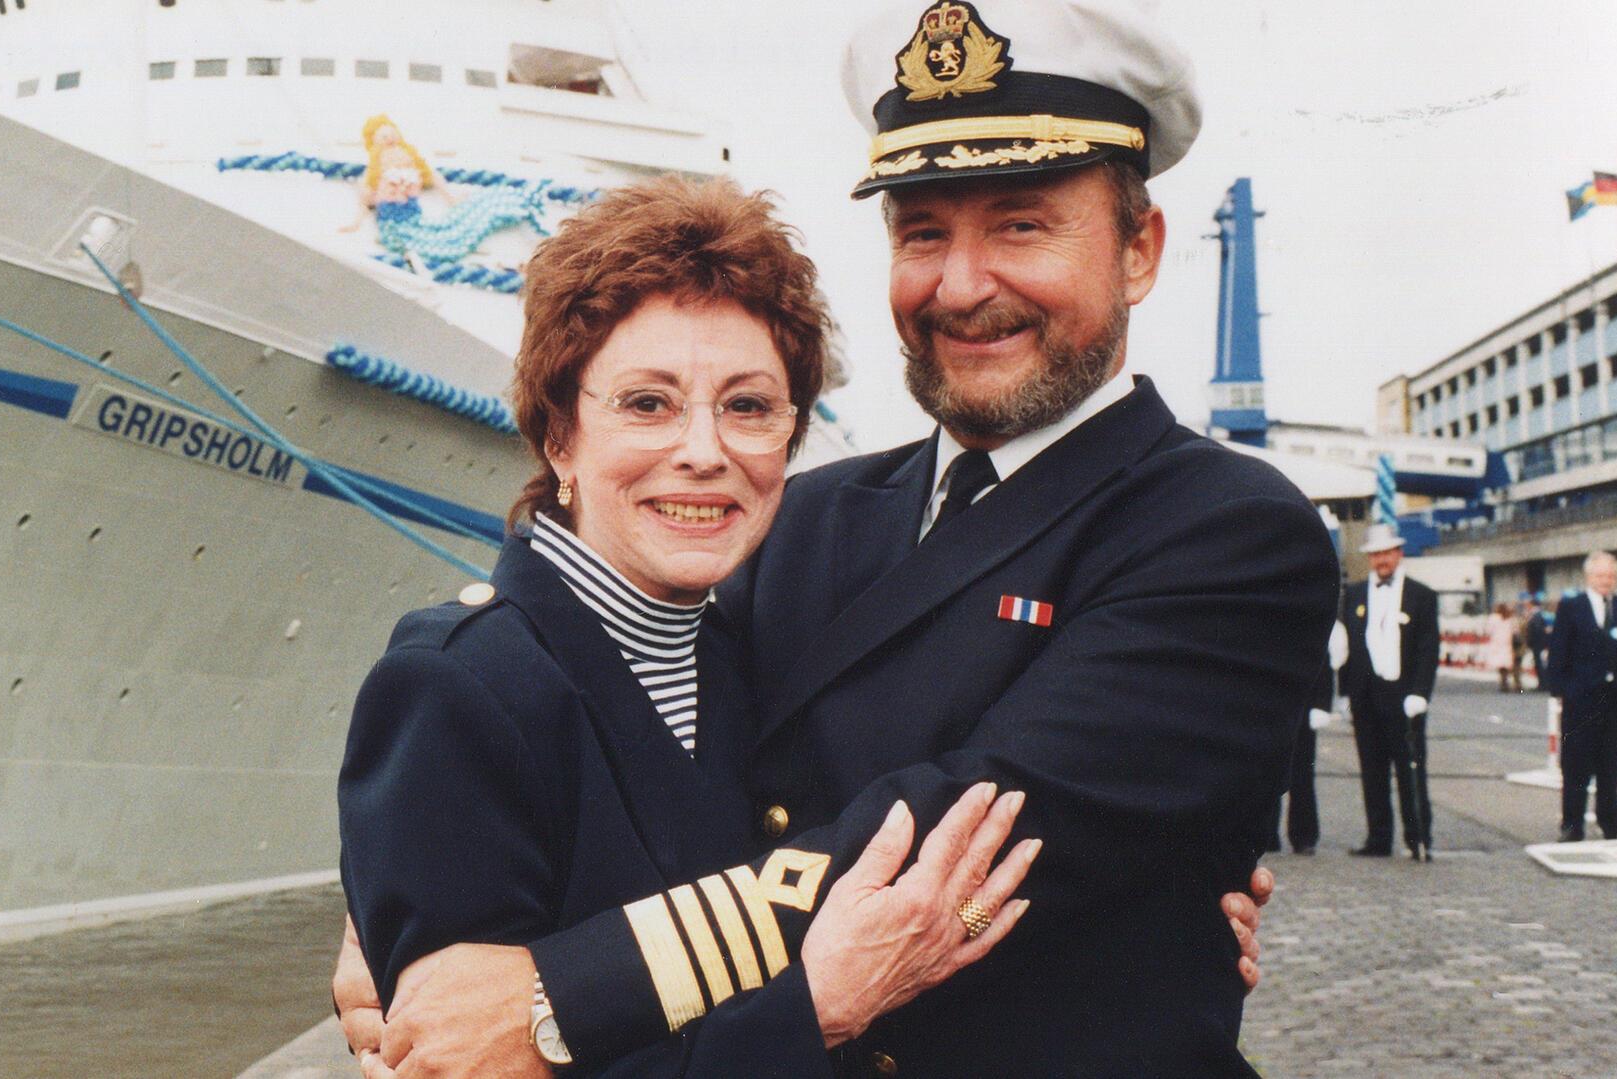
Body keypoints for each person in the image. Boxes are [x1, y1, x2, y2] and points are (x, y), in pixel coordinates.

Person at [341, 1, 1328, 1075]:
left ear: (1139, 249)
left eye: (1020, 224)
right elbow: (654, 759)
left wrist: (549, 990)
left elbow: (970, 830)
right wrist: (408, 893)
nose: (960, 285)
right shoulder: (808, 518)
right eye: (922, 233)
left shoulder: (1230, 533)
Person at [340, 177, 1049, 1077]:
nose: (706, 451)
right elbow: (458, 1061)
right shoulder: (459, 689)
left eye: (749, 407)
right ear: (559, 433)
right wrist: (814, 1012)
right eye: (648, 403)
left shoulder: (748, 664)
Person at [1337, 523, 1441, 861]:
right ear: (1369, 558)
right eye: (1376, 554)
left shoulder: (1421, 595)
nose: (1382, 560)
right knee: (1372, 771)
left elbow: (1428, 648)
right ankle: (1378, 838)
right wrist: (1343, 695)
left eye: (1387, 552)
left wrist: (1421, 693)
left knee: (1411, 770)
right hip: (1366, 696)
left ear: (1398, 553)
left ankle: (1418, 837)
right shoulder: (1352, 595)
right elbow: (1344, 648)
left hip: (1405, 697)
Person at [1542, 550, 1617, 841]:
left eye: (1610, 576)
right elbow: (1557, 652)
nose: (1605, 580)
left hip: (1616, 700)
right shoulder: (1571, 607)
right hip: (1580, 700)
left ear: (1616, 578)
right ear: (1588, 577)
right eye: (1600, 575)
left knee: (1611, 765)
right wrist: (1561, 690)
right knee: (1576, 765)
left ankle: (1611, 823)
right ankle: (1572, 825)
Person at [1267, 620, 1344, 856]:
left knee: (1302, 774)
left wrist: (1322, 704)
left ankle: (1304, 836)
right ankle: (1267, 835)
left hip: (1302, 704)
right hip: (1270, 704)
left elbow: (1322, 659)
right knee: (1267, 773)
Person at [1485, 602, 1519, 693]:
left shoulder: (1493, 618)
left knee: (1501, 666)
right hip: (1507, 643)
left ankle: (1504, 683)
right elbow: (1516, 631)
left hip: (1497, 644)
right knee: (1509, 664)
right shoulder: (1511, 618)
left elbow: (1488, 631)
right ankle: (1516, 684)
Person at [1525, 595, 1552, 691]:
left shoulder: (1536, 615)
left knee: (1540, 664)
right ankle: (1542, 683)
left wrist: (1531, 641)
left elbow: (1537, 630)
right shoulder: (1538, 614)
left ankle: (1543, 684)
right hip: (1539, 644)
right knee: (1539, 664)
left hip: (1538, 644)